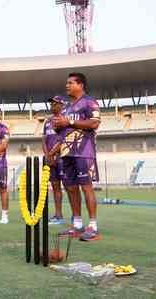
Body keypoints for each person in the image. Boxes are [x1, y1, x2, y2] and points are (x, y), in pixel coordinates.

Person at [53, 72, 101, 241]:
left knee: (86, 187)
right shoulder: (65, 107)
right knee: (71, 188)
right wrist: (57, 125)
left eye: (71, 83)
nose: (67, 85)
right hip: (66, 153)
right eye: (67, 83)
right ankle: (78, 225)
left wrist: (70, 122)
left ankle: (93, 226)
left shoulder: (89, 102)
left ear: (81, 85)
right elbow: (61, 129)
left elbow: (94, 123)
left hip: (83, 151)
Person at [43, 96, 66, 225]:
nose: (52, 105)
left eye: (55, 103)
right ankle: (58, 215)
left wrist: (51, 154)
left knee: (70, 188)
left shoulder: (64, 119)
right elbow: (44, 139)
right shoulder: (47, 121)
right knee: (55, 187)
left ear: (62, 105)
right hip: (51, 160)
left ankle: (76, 217)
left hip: (63, 158)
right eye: (51, 103)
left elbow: (64, 139)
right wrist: (47, 156)